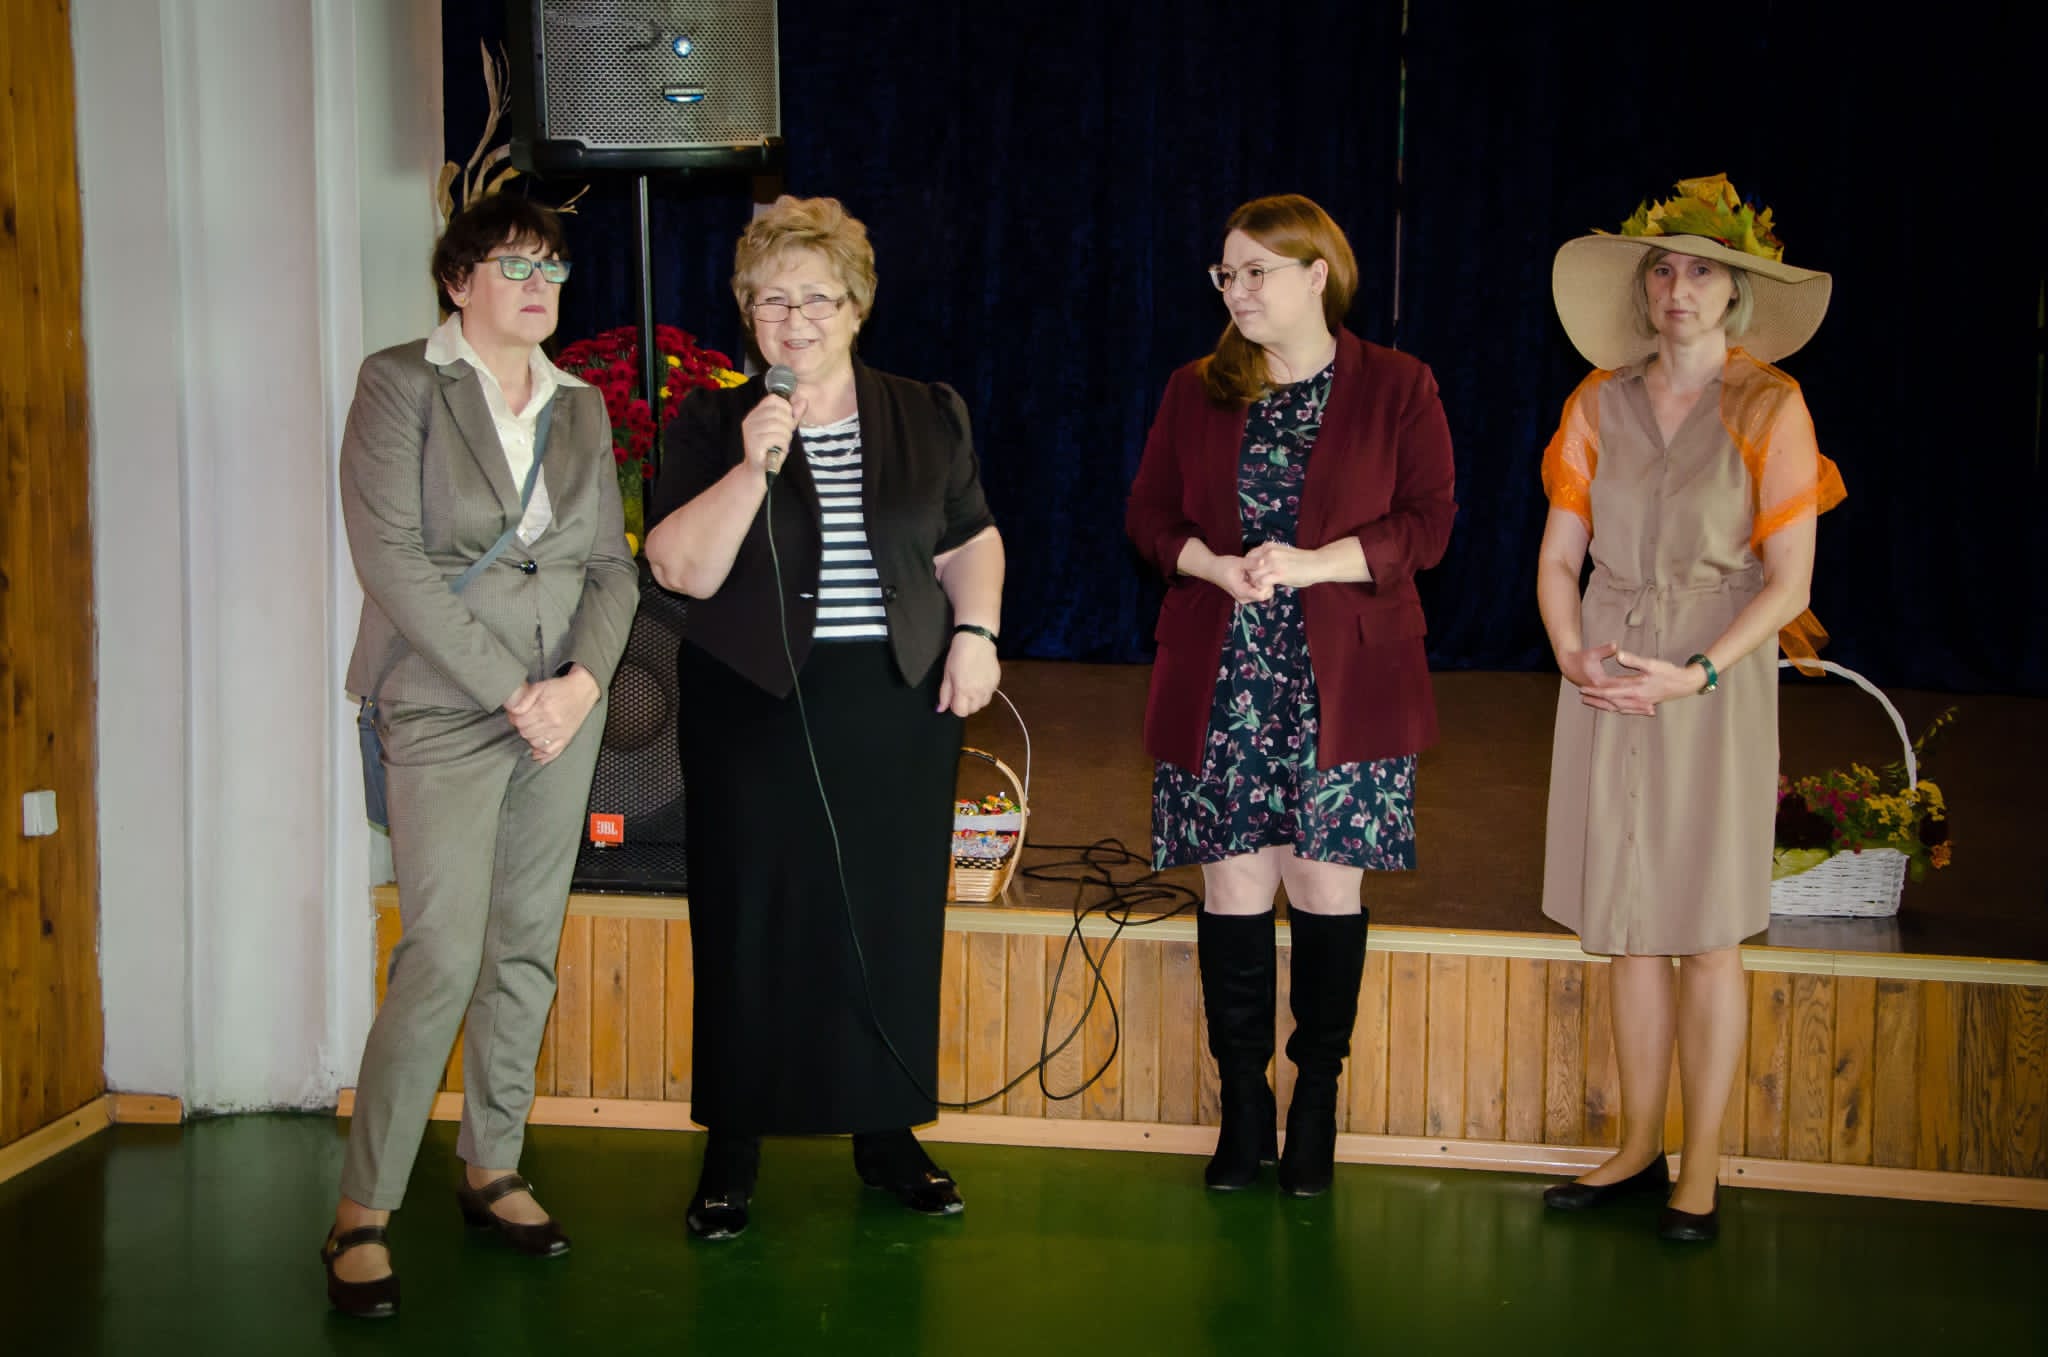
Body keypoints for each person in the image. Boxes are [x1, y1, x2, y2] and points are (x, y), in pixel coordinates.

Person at [644, 195, 1005, 1240]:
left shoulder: (926, 411)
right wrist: (752, 465)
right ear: (746, 312)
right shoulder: (710, 422)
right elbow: (679, 568)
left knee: (888, 919)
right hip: (752, 704)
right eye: (770, 301)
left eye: (814, 299)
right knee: (748, 918)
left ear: (856, 304)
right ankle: (733, 1145)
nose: (792, 320)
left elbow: (968, 538)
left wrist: (976, 631)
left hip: (896, 702)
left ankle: (887, 1132)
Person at [325, 194, 639, 1316]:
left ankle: (491, 1164)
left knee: (524, 948)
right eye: (513, 264)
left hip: (562, 710)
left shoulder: (580, 405)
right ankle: (361, 1209)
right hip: (444, 704)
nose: (538, 284)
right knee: (442, 953)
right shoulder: (400, 383)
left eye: (551, 267)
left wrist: (581, 687)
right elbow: (391, 559)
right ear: (458, 282)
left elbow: (611, 567)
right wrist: (513, 690)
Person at [1126, 194, 1456, 1197]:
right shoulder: (1195, 388)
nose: (1236, 290)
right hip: (1224, 670)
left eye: (1255, 272)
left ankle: (1315, 1101)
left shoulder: (1398, 384)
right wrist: (1212, 565)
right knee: (1231, 891)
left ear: (1318, 274)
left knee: (1323, 890)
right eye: (1225, 274)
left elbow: (1428, 523)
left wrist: (1315, 564)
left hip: (1344, 672)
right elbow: (1148, 517)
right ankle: (1243, 1106)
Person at [1536, 175, 1842, 1242]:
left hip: (1713, 675)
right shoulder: (1596, 402)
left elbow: (1789, 585)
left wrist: (1698, 673)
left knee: (1707, 933)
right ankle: (1636, 1147)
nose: (1678, 287)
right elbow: (1558, 555)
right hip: (1608, 663)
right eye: (1663, 269)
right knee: (1627, 931)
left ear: (1735, 292)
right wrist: (1569, 650)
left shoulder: (1769, 406)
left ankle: (1700, 1167)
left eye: (1702, 271)